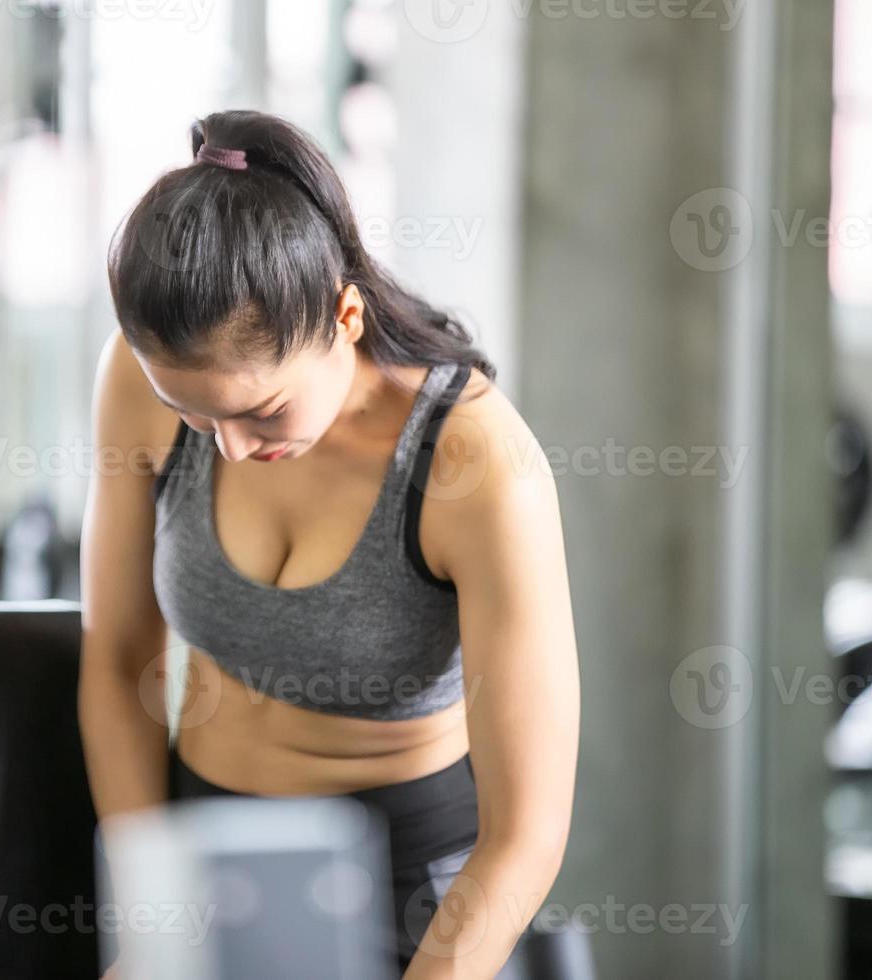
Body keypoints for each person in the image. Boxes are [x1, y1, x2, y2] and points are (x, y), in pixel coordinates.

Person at [78, 109, 580, 979]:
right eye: (193, 413)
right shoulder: (141, 377)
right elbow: (120, 660)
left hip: (412, 897)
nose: (228, 447)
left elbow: (526, 835)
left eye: (262, 410)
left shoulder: (478, 467)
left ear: (345, 314)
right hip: (207, 858)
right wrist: (153, 929)